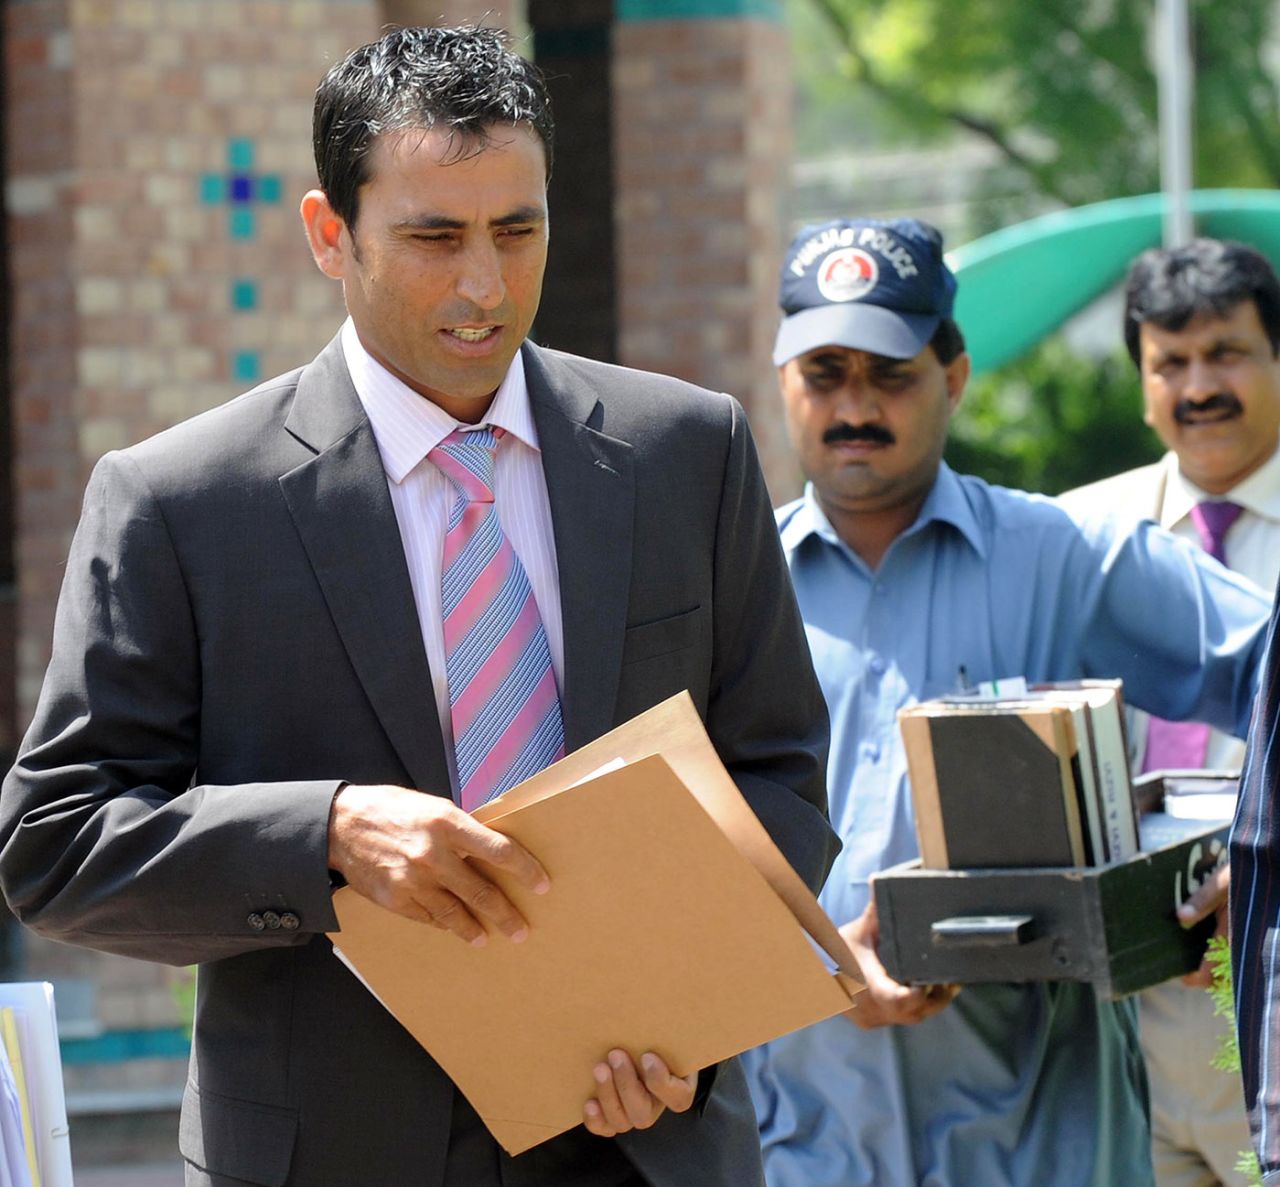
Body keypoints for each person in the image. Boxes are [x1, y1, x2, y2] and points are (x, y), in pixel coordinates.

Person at [0, 26, 838, 1187]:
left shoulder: (685, 453)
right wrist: (327, 835)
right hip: (330, 1153)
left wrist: (685, 1002)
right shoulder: (182, 502)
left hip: (646, 1138)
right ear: (327, 234)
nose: (484, 285)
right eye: (435, 237)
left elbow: (778, 773)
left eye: (517, 230)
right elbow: (58, 842)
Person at [740, 215, 1273, 1187]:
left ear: (952, 377)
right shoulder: (731, 589)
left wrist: (1256, 855)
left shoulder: (1062, 555)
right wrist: (811, 967)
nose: (854, 405)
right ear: (782, 382)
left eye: (890, 374)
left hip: (1038, 1143)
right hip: (800, 1143)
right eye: (825, 374)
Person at [1062, 238, 1280, 1187]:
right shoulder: (1077, 539)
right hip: (1125, 1027)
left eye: (1226, 353)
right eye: (1171, 362)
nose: (1199, 387)